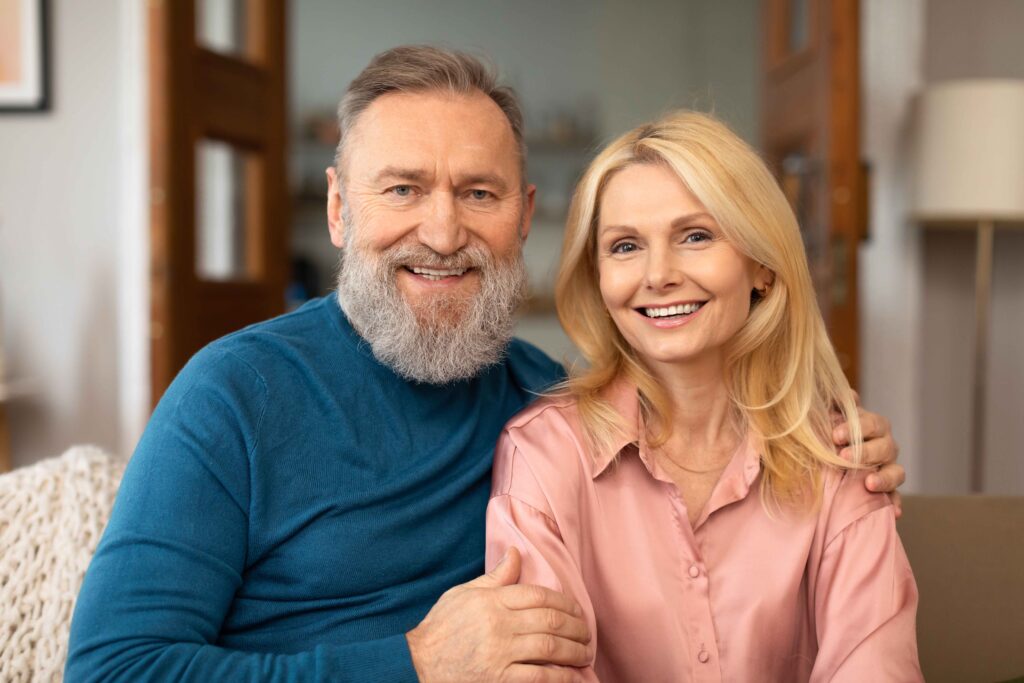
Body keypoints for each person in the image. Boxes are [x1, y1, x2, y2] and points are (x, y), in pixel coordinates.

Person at [66, 47, 905, 683]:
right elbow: (109, 669)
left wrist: (830, 433)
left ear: (524, 216)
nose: (441, 231)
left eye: (478, 192)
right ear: (336, 208)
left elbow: (696, 423)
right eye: (402, 190)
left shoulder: (545, 404)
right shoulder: (234, 395)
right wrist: (413, 661)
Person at [485, 111, 922, 682]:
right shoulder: (542, 454)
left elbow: (875, 669)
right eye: (624, 246)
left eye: (695, 236)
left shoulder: (841, 456)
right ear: (597, 277)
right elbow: (541, 673)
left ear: (762, 265)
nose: (658, 274)